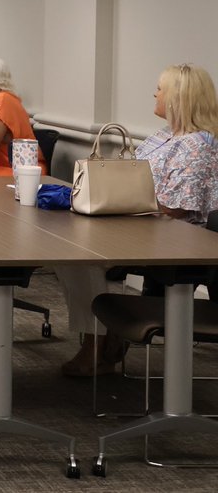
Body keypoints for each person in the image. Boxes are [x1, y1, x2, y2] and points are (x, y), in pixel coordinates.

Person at [57, 63, 218, 376]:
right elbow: (135, 180)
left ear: (177, 98)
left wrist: (118, 200)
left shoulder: (200, 145)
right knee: (68, 257)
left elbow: (176, 208)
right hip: (141, 226)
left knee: (83, 258)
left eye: (160, 88)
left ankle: (98, 344)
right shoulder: (164, 136)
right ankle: (100, 337)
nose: (155, 93)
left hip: (173, 243)